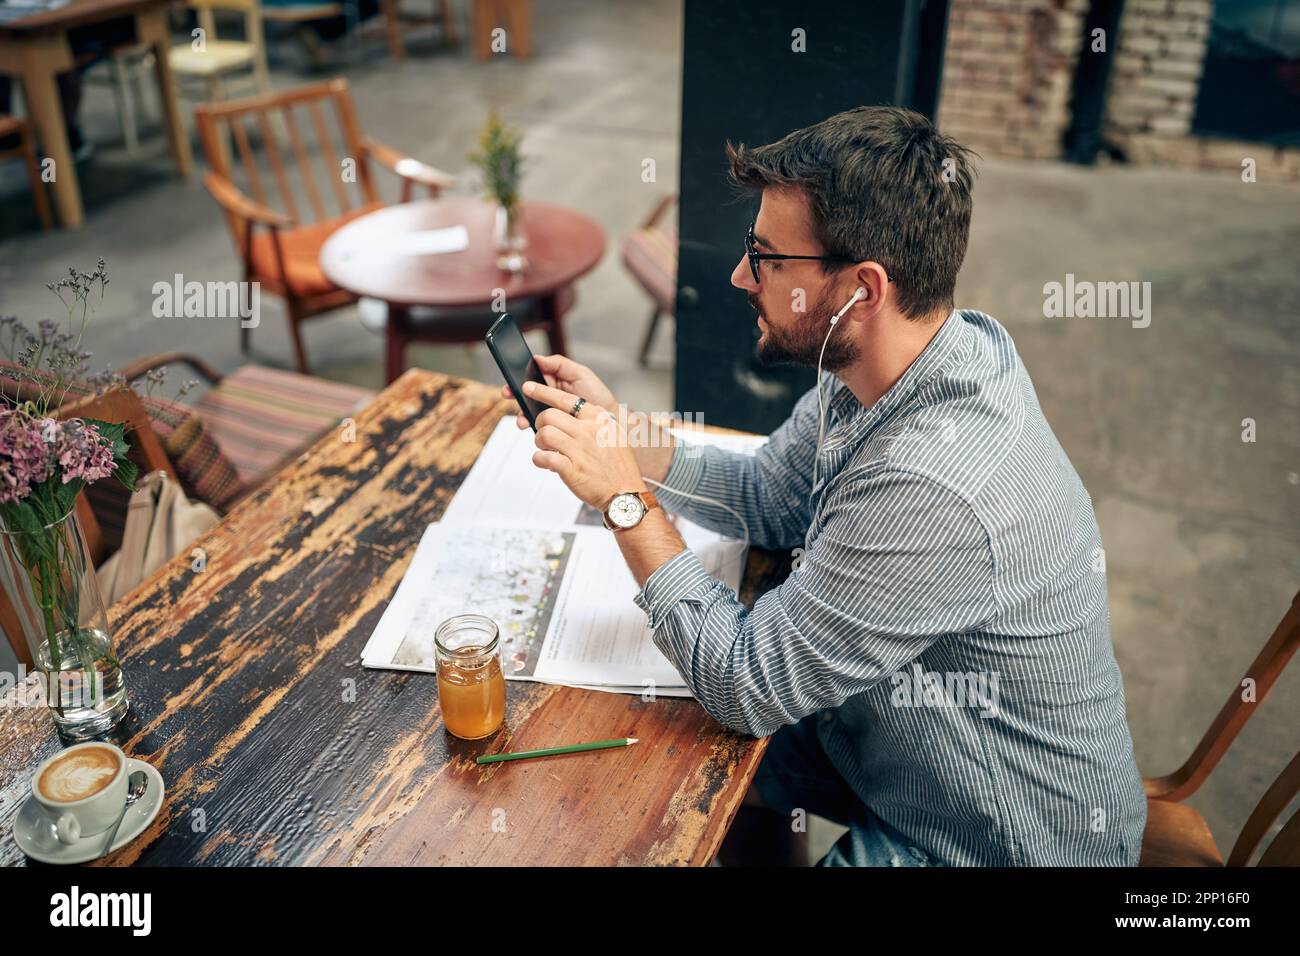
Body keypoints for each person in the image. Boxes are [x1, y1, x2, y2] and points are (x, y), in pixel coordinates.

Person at [501, 106, 1147, 866]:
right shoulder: (903, 357)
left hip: (994, 837)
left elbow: (745, 685)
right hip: (888, 742)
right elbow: (770, 496)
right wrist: (627, 442)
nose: (741, 276)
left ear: (860, 290)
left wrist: (624, 503)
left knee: (673, 742)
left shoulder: (934, 483)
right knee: (621, 752)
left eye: (767, 258)